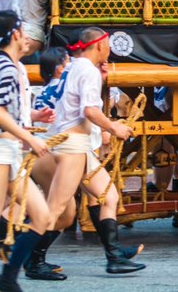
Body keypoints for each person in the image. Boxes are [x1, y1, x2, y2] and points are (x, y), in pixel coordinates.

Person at [42, 27, 144, 274]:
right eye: (107, 44)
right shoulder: (87, 71)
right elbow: (89, 110)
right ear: (99, 46)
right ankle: (28, 259)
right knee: (57, 209)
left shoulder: (74, 66)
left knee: (109, 197)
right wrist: (114, 128)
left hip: (75, 143)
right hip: (72, 145)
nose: (109, 49)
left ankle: (115, 256)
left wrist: (101, 78)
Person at [0, 11, 55, 292]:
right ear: (15, 34)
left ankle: (8, 278)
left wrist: (30, 120)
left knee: (42, 217)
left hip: (9, 151)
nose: (27, 35)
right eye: (22, 30)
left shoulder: (7, 65)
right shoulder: (5, 67)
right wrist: (31, 137)